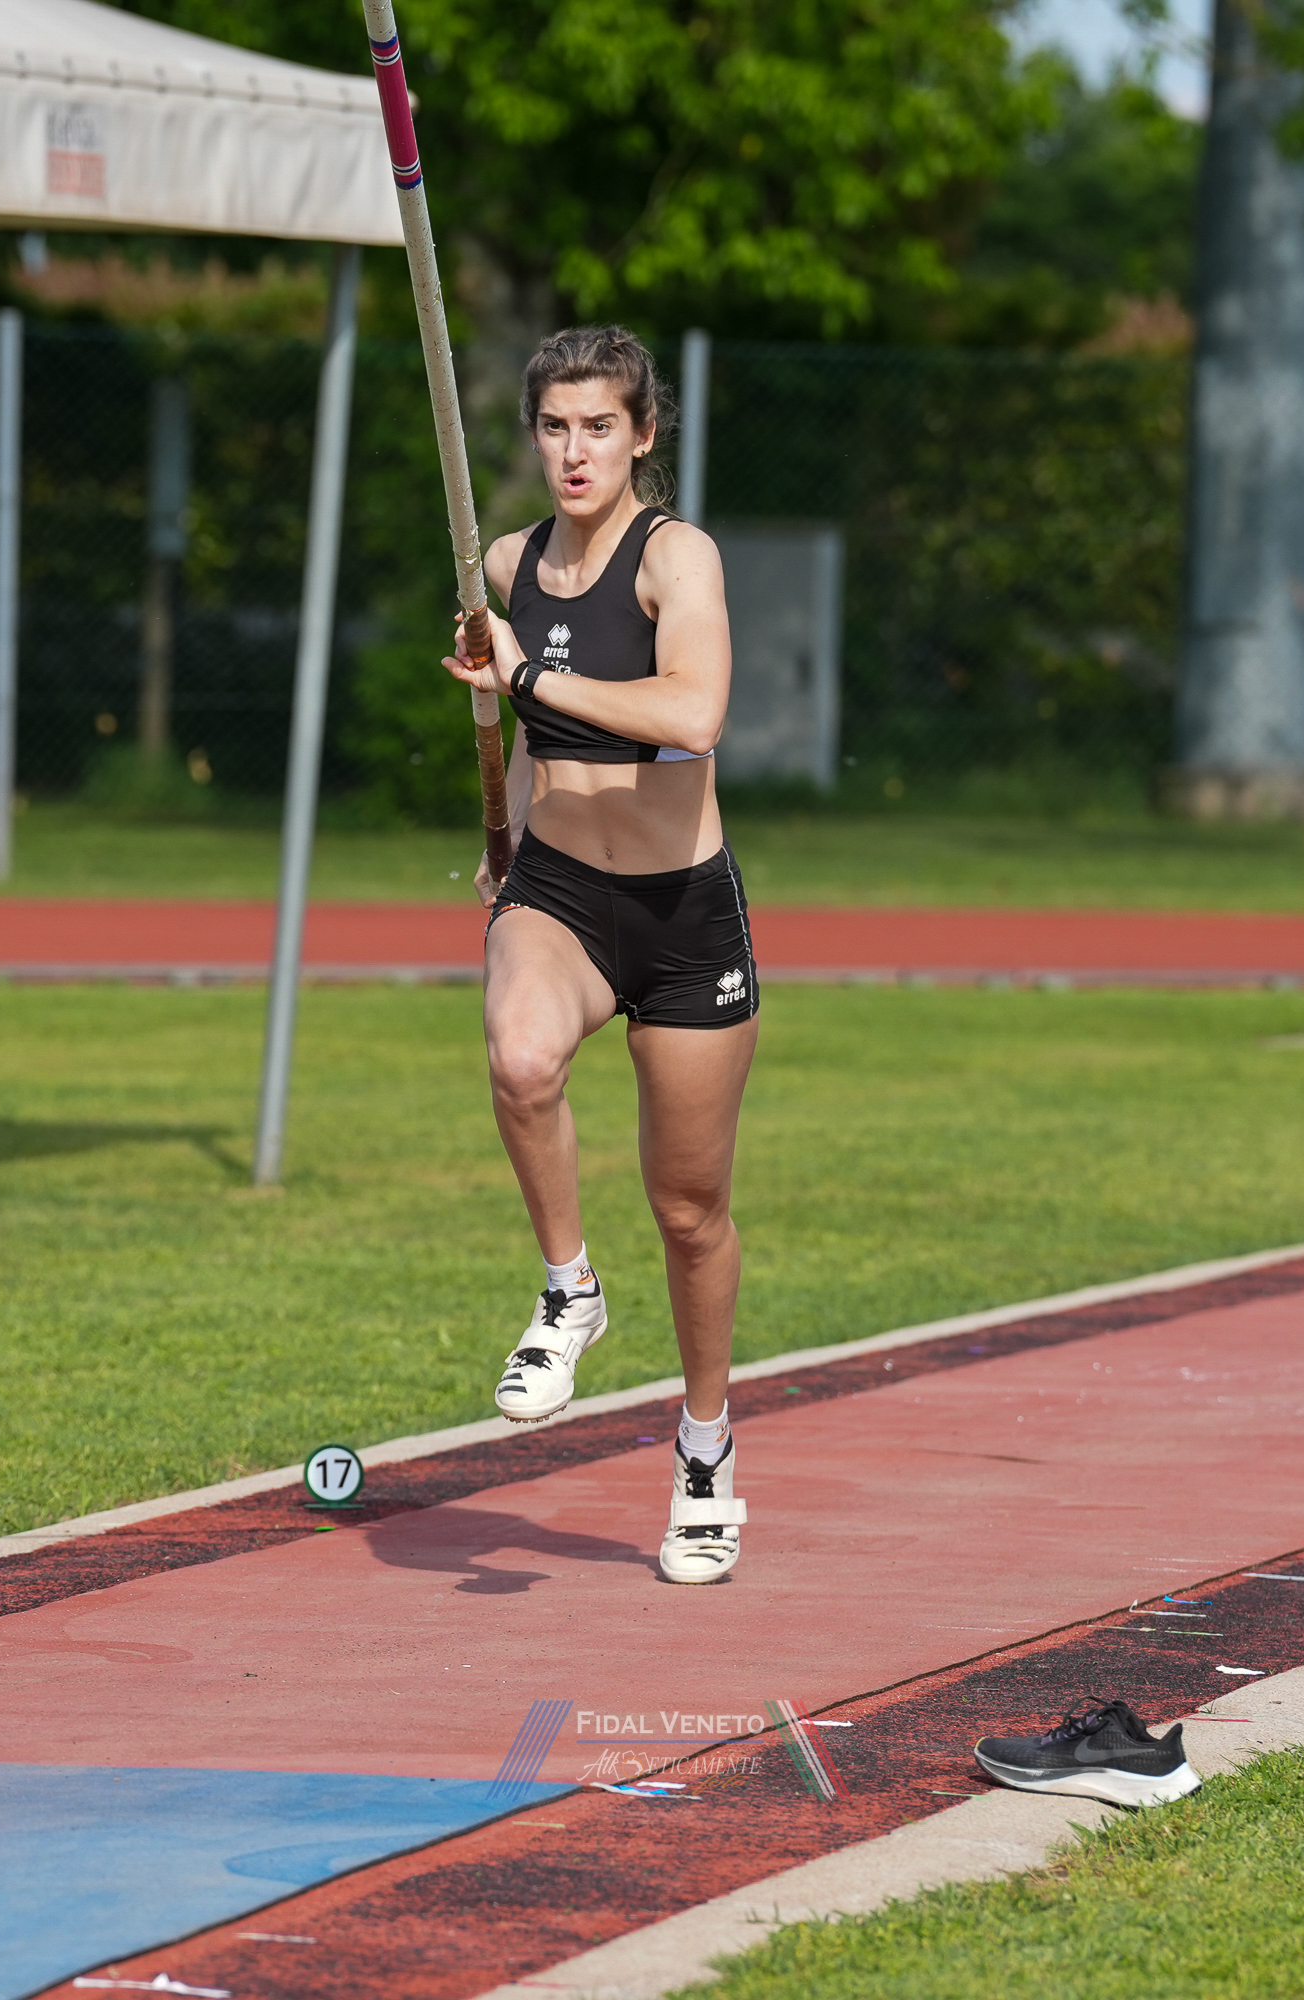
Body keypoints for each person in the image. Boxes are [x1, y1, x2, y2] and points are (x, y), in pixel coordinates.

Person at [439, 325, 758, 1585]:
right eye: (555, 427)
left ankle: (704, 1447)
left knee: (689, 1211)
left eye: (599, 428)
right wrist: (504, 828)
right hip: (562, 890)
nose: (575, 451)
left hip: (683, 915)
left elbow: (694, 711)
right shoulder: (507, 565)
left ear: (643, 434)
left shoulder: (676, 557)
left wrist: (530, 676)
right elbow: (521, 730)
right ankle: (568, 1288)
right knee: (521, 1060)